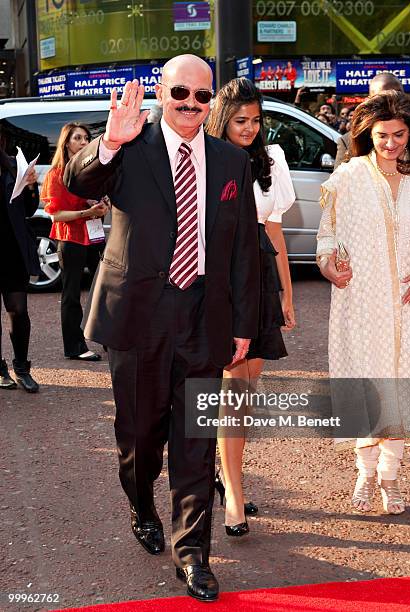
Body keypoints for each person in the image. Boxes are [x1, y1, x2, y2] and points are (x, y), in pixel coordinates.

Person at [63, 55, 260, 602]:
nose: (191, 105)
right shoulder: (131, 147)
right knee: (141, 438)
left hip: (203, 316)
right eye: (180, 93)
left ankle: (193, 554)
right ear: (161, 93)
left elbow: (243, 247)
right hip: (137, 317)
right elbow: (76, 182)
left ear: (212, 98)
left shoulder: (229, 161)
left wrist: (244, 323)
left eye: (202, 96)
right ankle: (141, 501)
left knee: (195, 440)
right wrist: (108, 142)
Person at [317, 90, 410, 515]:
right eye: (383, 135)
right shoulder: (348, 176)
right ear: (368, 134)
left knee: (401, 387)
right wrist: (329, 265)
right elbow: (326, 233)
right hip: (361, 303)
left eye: (399, 135)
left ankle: (391, 475)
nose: (391, 143)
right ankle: (365, 472)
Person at [206, 78, 296, 535]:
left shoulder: (270, 159)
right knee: (231, 389)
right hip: (220, 278)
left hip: (259, 271)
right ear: (223, 120)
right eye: (240, 120)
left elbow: (275, 232)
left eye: (256, 120)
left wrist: (287, 293)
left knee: (246, 390)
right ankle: (234, 495)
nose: (250, 128)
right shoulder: (206, 158)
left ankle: (226, 475)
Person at [41, 123, 108, 361]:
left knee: (105, 287)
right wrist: (86, 214)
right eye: (77, 138)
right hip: (71, 238)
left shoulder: (92, 169)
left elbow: (101, 199)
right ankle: (75, 347)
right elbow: (55, 214)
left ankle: (107, 338)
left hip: (95, 234)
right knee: (71, 294)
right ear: (66, 143)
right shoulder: (55, 174)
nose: (82, 141)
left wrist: (101, 207)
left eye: (85, 137)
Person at [0, 136, 40, 393]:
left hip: (13, 248)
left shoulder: (15, 164)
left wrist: (31, 187)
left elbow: (30, 209)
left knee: (18, 310)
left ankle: (22, 367)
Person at [334, 73, 410, 168]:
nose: (393, 101)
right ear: (370, 100)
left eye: (398, 94)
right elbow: (339, 185)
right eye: (384, 97)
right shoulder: (349, 141)